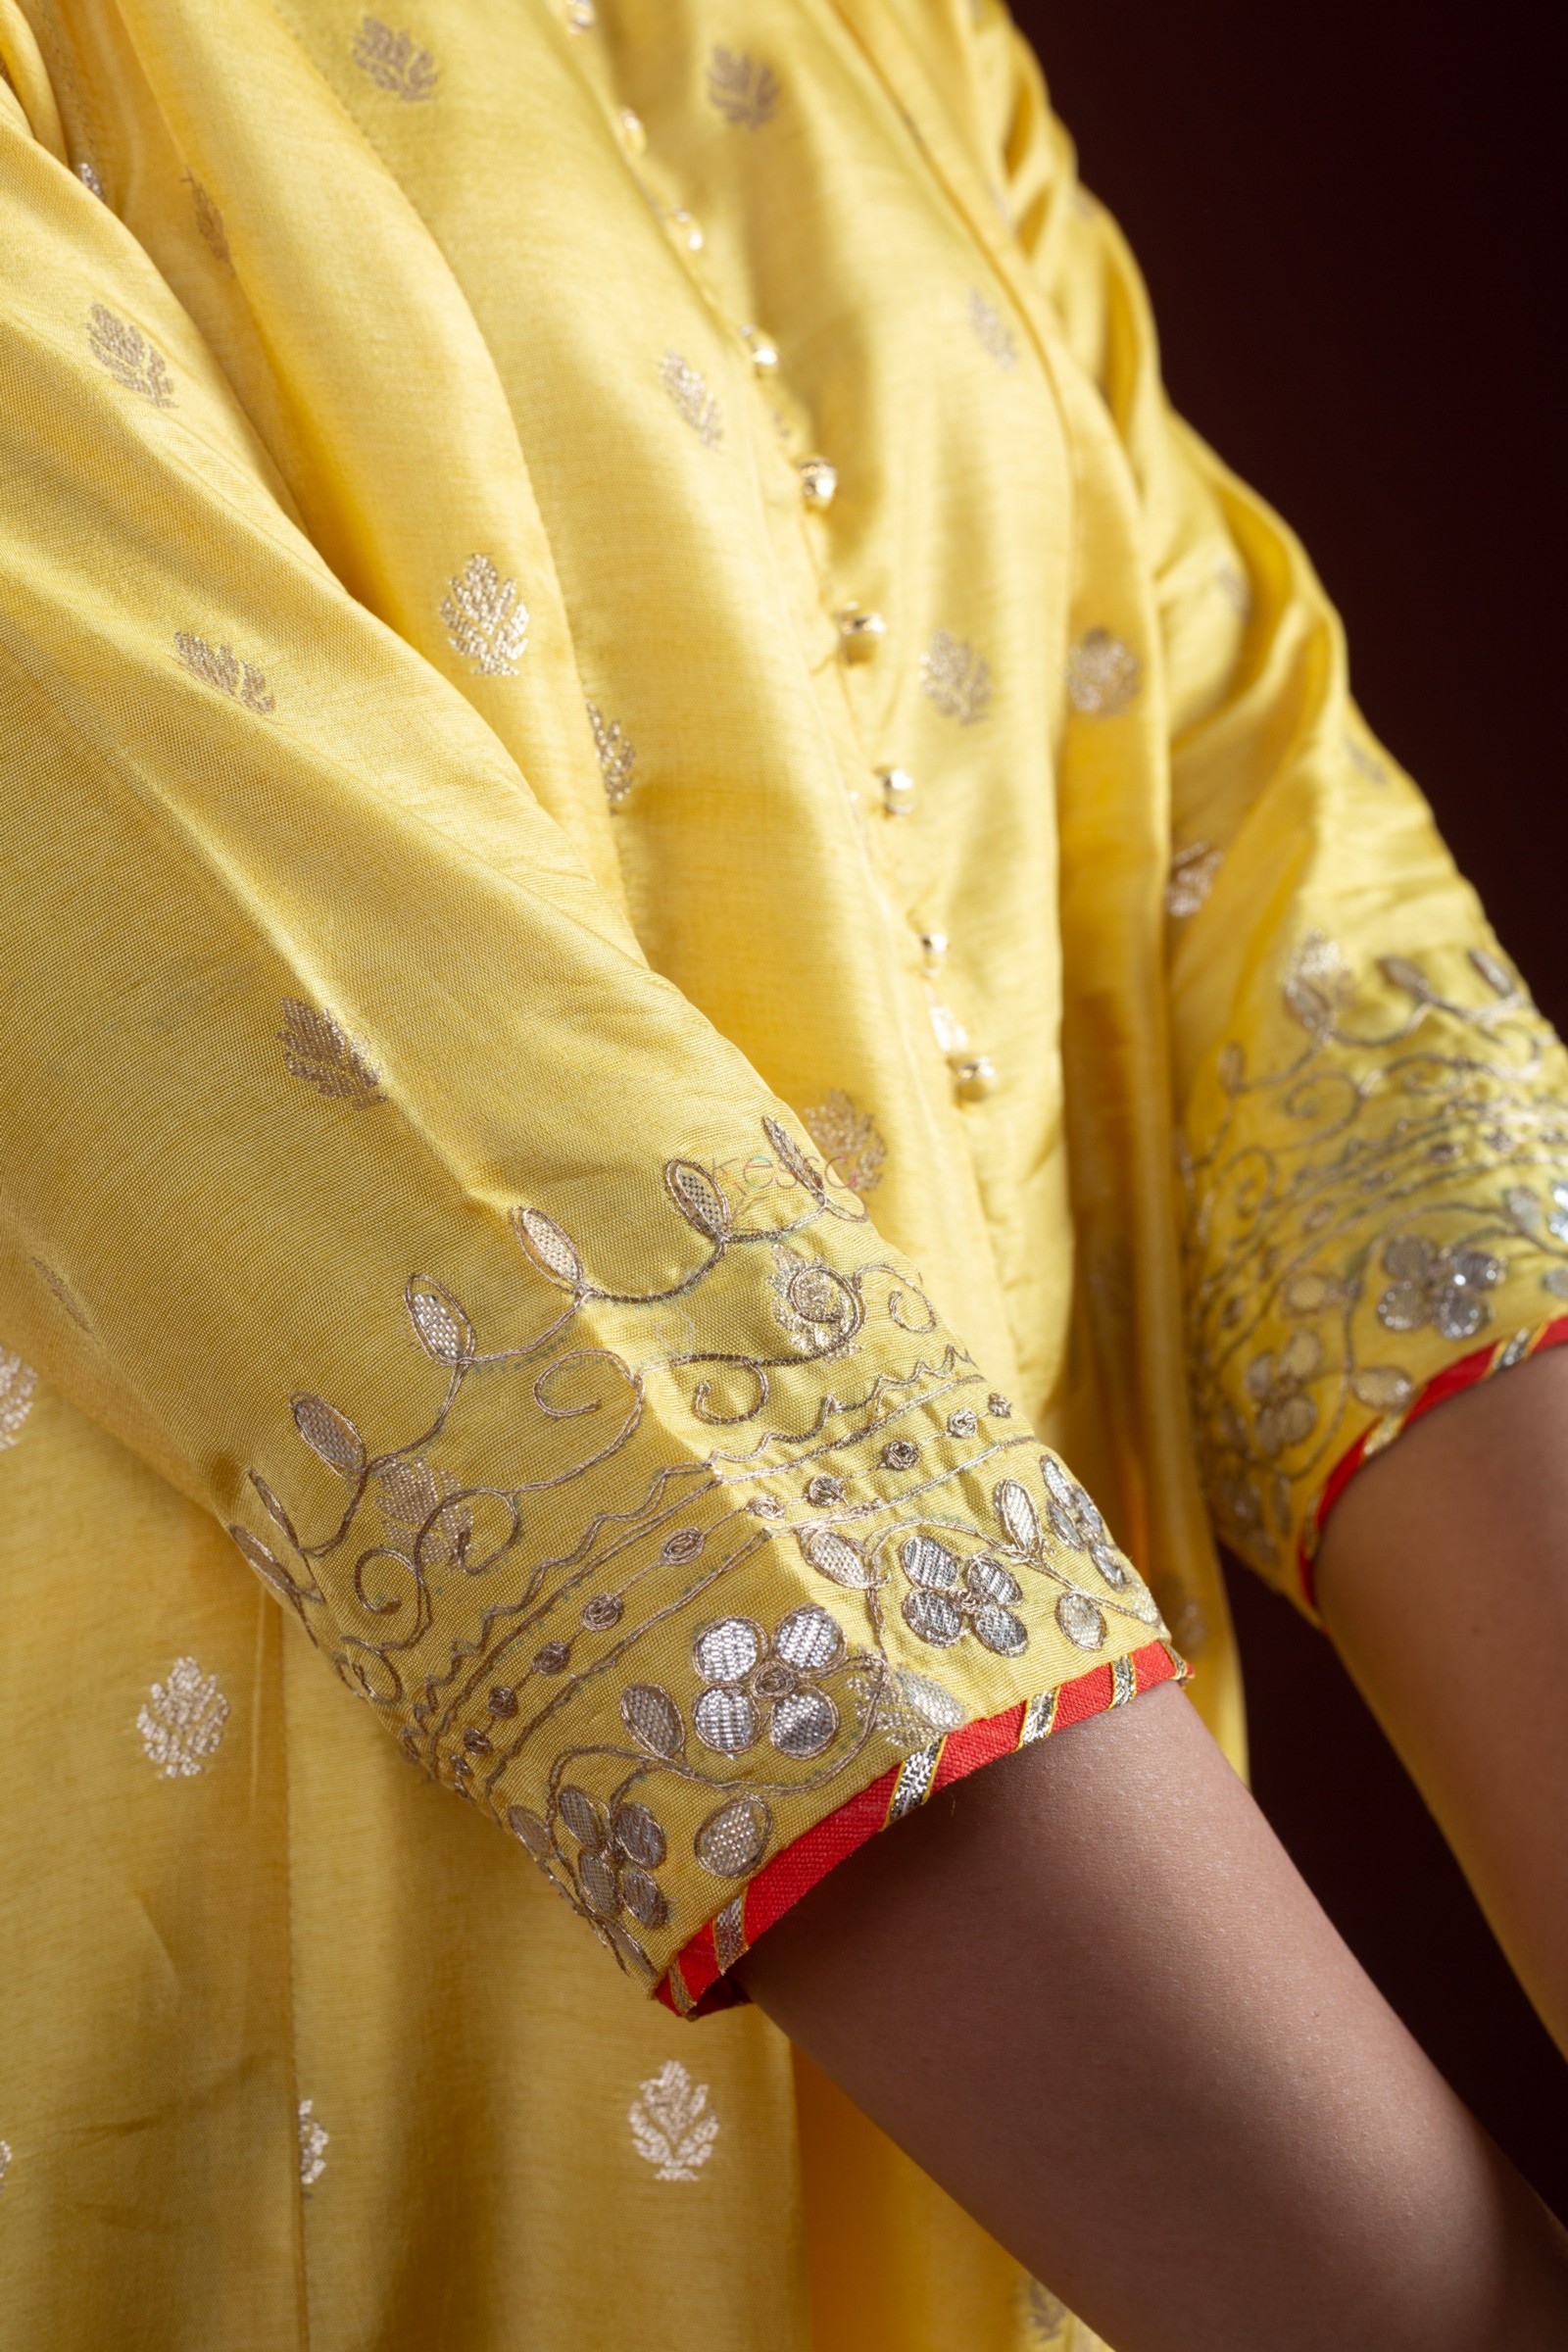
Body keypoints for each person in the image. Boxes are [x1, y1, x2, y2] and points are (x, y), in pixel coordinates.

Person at [1, 2, 1565, 2344]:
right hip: (370, 2087)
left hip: (1112, 2107)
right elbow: (375, 1100)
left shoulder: (884, 38)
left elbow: (1305, 985)